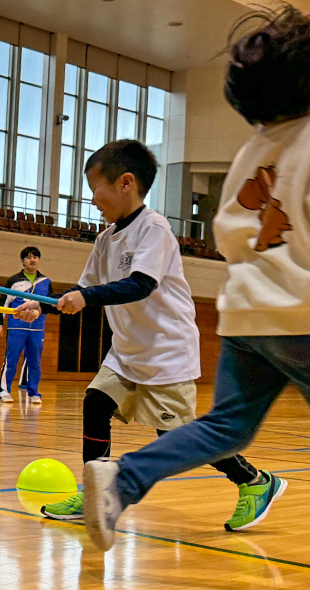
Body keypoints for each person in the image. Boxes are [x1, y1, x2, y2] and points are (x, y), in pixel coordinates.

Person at [81, 5, 308, 551]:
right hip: (300, 314)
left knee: (223, 426)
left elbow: (228, 232)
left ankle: (124, 479)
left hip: (247, 316)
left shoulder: (252, 152)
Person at [16, 139, 276, 533]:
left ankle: (254, 481)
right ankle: (94, 494)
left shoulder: (154, 229)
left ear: (125, 183)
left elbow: (140, 285)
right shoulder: (105, 240)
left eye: (95, 189)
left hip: (165, 354)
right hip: (126, 351)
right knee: (95, 403)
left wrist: (83, 297)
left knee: (177, 436)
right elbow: (85, 288)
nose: (92, 200)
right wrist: (44, 305)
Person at [0, 246, 54, 405]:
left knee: (35, 362)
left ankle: (34, 392)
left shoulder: (46, 282)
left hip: (37, 328)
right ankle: (4, 391)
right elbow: (3, 303)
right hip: (16, 327)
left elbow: (49, 306)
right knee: (11, 360)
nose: (32, 260)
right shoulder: (13, 281)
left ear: (39, 260)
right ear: (22, 261)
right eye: (28, 257)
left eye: (35, 257)